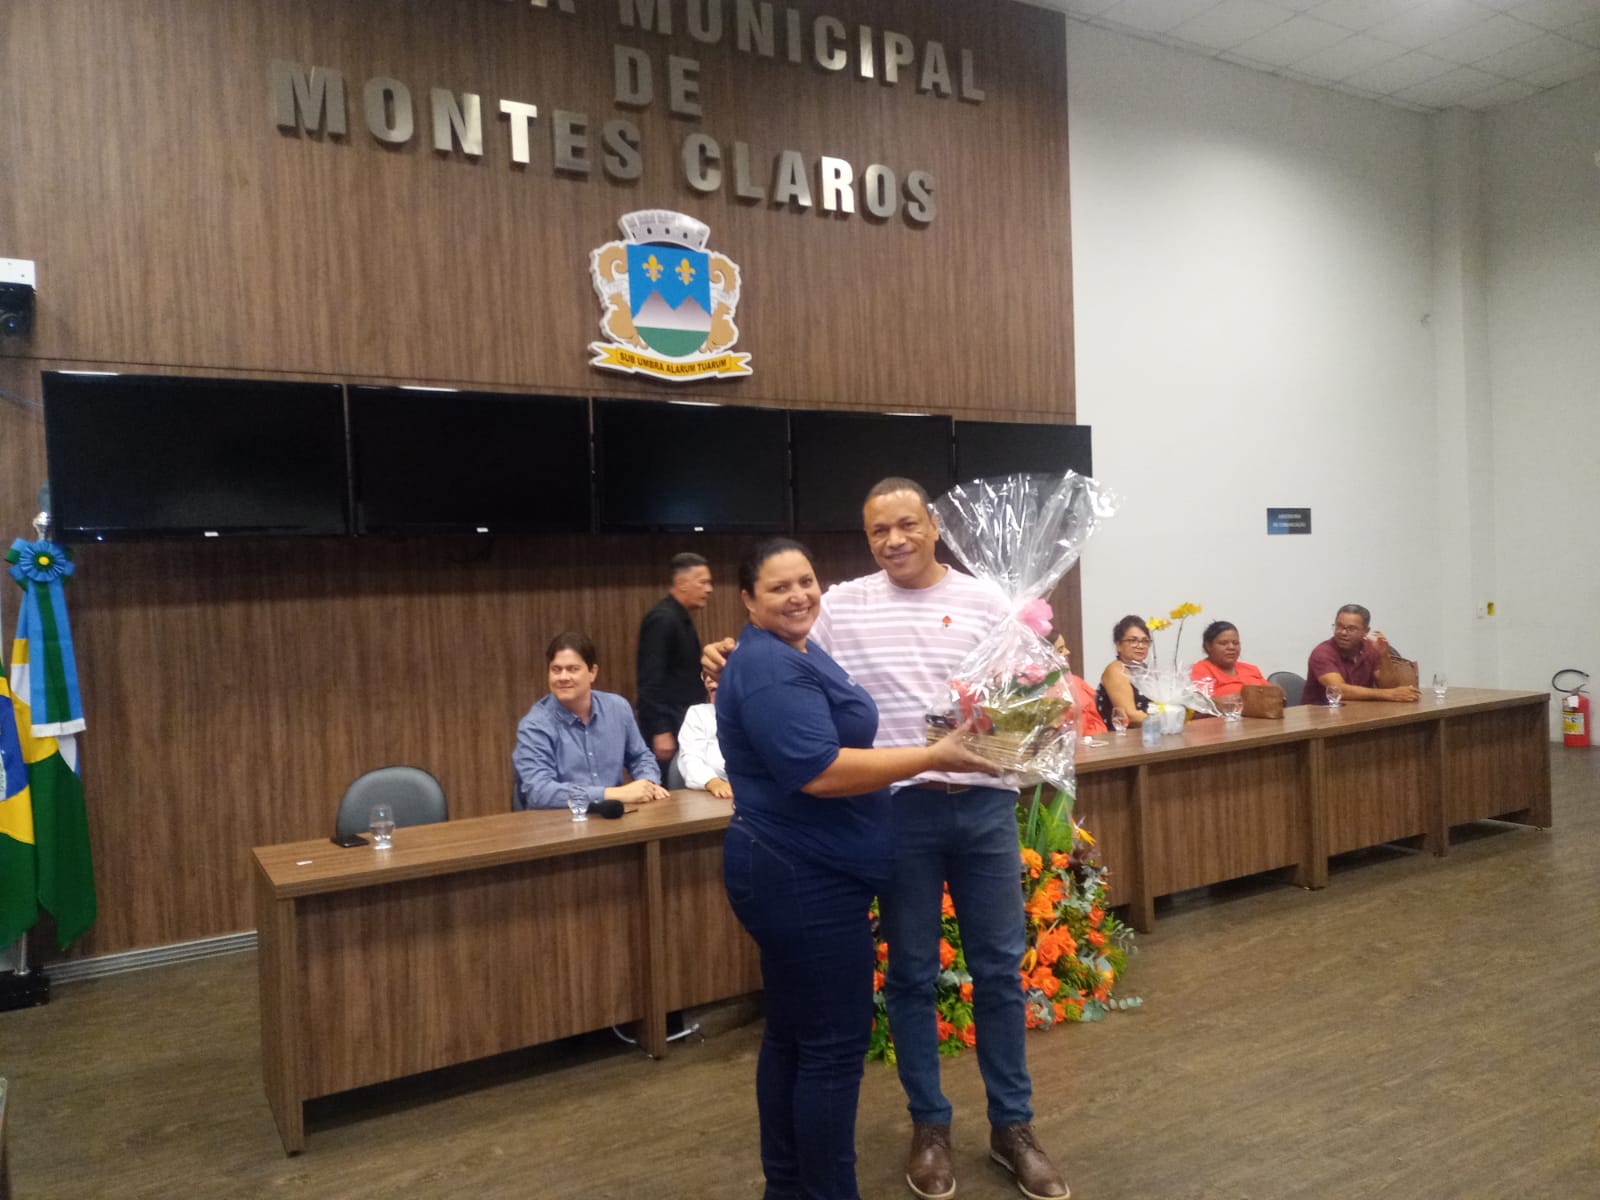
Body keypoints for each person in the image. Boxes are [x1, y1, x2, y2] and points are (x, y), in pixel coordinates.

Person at [708, 477, 1071, 1200]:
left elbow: (1032, 691)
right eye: (879, 530)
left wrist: (1047, 683)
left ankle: (1013, 1127)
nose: (894, 540)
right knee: (909, 975)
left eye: (907, 524)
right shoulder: (840, 604)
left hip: (986, 807)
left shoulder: (988, 600)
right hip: (896, 813)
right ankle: (929, 1126)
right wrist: (724, 649)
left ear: (934, 526)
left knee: (1000, 972)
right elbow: (780, 645)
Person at [513, 631, 670, 810]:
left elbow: (640, 756)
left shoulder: (617, 708)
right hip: (560, 820)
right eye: (556, 670)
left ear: (592, 673)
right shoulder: (535, 725)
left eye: (573, 669)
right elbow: (540, 792)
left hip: (614, 817)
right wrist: (611, 794)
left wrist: (648, 784)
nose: (563, 677)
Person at [637, 552, 715, 778]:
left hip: (682, 724)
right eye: (703, 582)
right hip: (668, 728)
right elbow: (650, 680)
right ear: (681, 583)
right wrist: (661, 729)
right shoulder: (663, 619)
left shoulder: (680, 618)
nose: (709, 589)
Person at [1302, 604, 1420, 706]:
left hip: (1358, 713)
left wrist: (1384, 656)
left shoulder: (1370, 649)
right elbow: (1338, 690)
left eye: (1351, 629)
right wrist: (1388, 694)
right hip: (1322, 716)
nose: (1343, 632)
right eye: (1339, 626)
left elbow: (1388, 686)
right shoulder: (1322, 652)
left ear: (1365, 631)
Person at [676, 670, 732, 799]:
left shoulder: (759, 712)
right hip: (715, 796)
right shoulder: (698, 714)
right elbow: (691, 759)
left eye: (716, 672)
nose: (708, 680)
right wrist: (713, 782)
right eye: (705, 675)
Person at [1095, 615, 1155, 728]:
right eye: (1133, 640)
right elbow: (1129, 715)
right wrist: (1165, 721)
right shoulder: (1116, 670)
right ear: (1118, 645)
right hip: (1122, 736)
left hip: (1149, 732)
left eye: (1145, 641)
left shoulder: (1147, 670)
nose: (1140, 646)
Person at [1189, 621, 1271, 696]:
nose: (1231, 647)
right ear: (1208, 646)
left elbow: (1273, 695)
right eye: (1223, 643)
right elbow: (1202, 701)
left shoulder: (1252, 669)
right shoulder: (1200, 670)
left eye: (1236, 643)